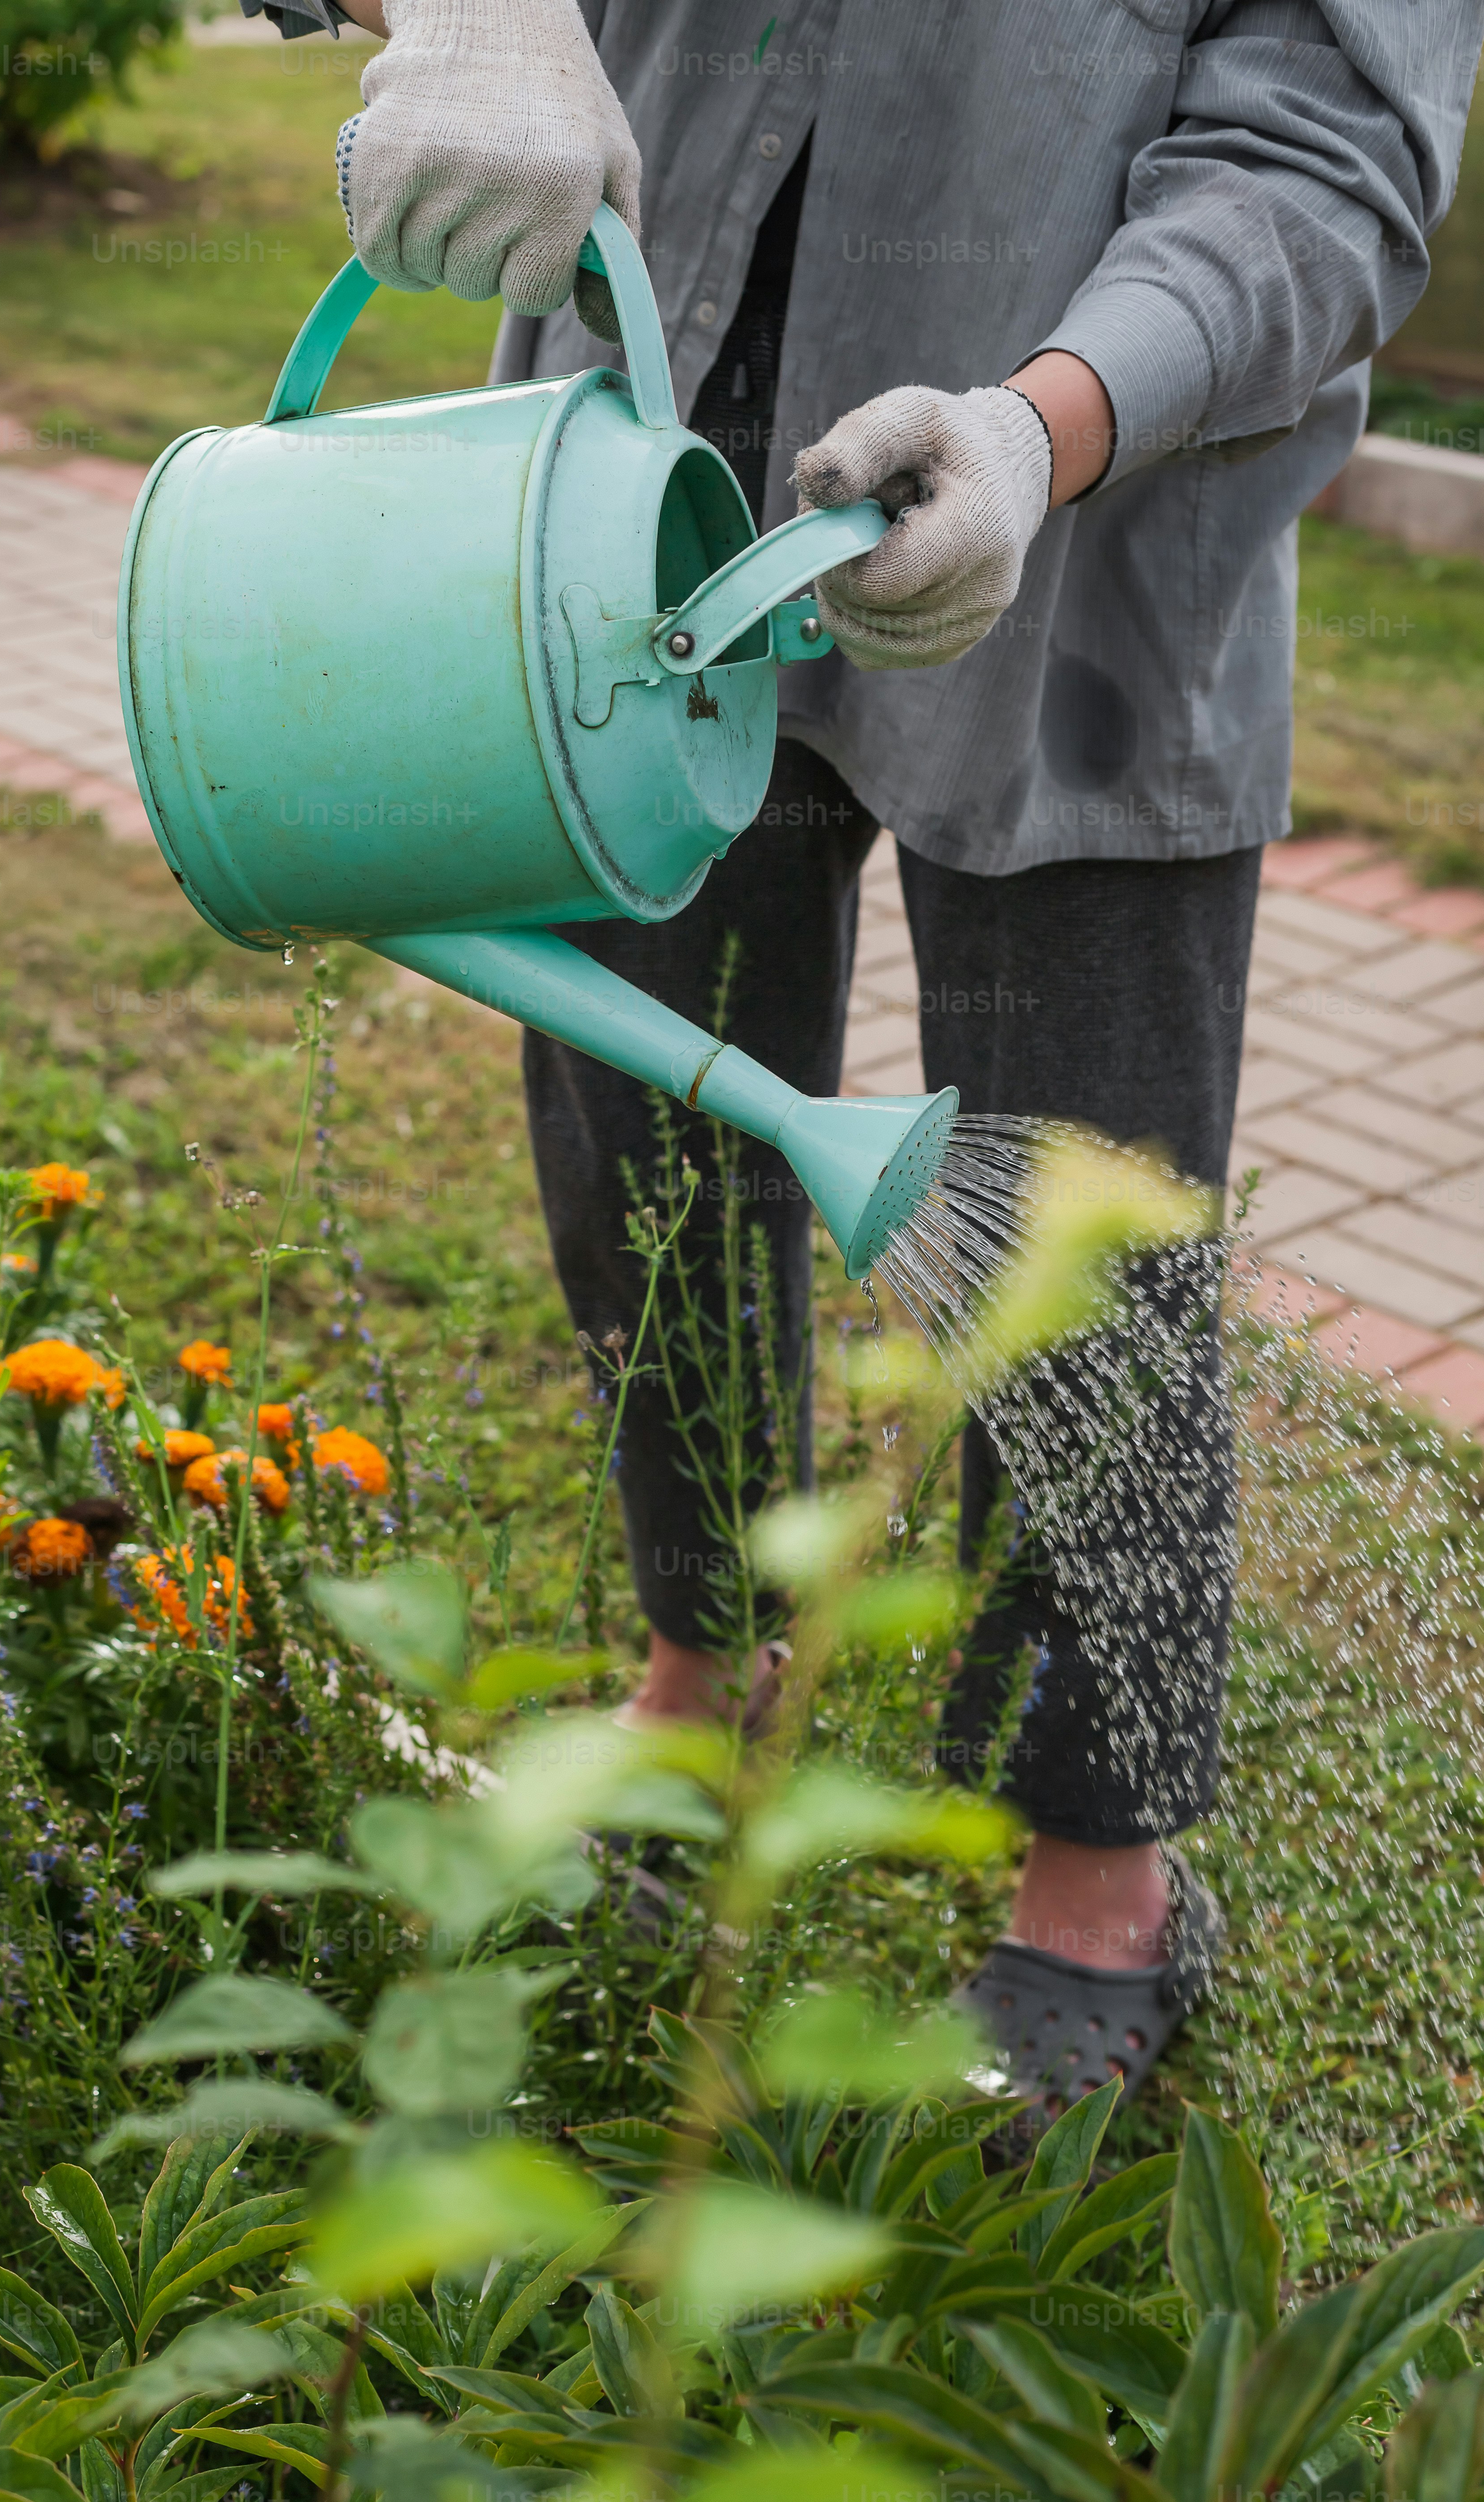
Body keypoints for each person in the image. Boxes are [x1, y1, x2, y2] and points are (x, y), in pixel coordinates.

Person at [251, 0, 1484, 2105]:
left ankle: (1096, 1869)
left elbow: (1328, 156)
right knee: (644, 1115)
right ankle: (702, 1676)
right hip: (619, 472)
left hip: (1087, 514)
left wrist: (1041, 428)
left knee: (1076, 1213)